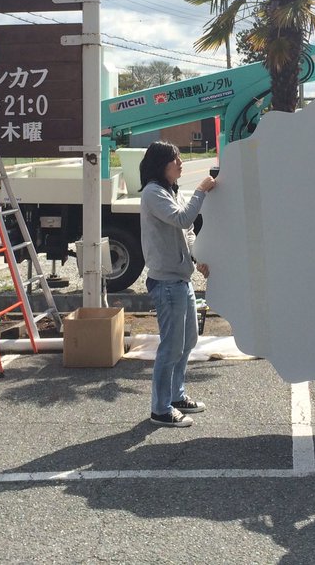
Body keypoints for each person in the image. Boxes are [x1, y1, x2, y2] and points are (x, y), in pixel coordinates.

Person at [139, 141, 216, 428]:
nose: (181, 163)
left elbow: (187, 232)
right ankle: (160, 409)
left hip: (180, 280)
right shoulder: (153, 193)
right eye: (176, 159)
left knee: (188, 341)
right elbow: (184, 218)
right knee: (171, 347)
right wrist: (201, 191)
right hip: (166, 283)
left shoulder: (169, 191)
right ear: (162, 165)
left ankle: (175, 396)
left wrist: (198, 259)